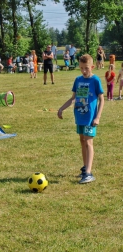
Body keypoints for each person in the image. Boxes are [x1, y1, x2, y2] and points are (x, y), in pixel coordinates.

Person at [57, 54, 104, 184]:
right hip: (80, 117)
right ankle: (85, 168)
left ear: (92, 67)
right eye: (81, 68)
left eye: (86, 68)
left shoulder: (95, 80)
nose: (84, 71)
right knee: (82, 141)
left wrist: (98, 117)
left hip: (90, 118)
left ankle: (89, 173)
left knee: (89, 142)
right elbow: (73, 98)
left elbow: (101, 99)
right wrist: (61, 108)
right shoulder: (78, 80)